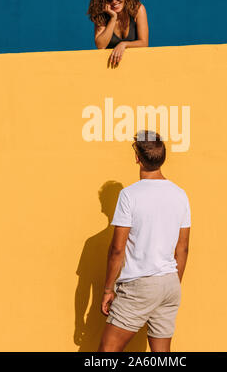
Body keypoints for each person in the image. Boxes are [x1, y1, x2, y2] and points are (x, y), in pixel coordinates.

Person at [97, 130, 191, 352]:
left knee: (106, 353)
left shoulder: (130, 195)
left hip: (141, 283)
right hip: (169, 283)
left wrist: (108, 289)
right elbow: (183, 248)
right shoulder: (180, 195)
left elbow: (117, 250)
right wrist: (171, 283)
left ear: (137, 157)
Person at [87, 0, 149, 67]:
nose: (114, 1)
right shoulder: (102, 15)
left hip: (135, 65)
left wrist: (123, 44)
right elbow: (101, 45)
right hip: (110, 68)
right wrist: (113, 18)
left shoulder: (138, 10)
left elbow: (144, 43)